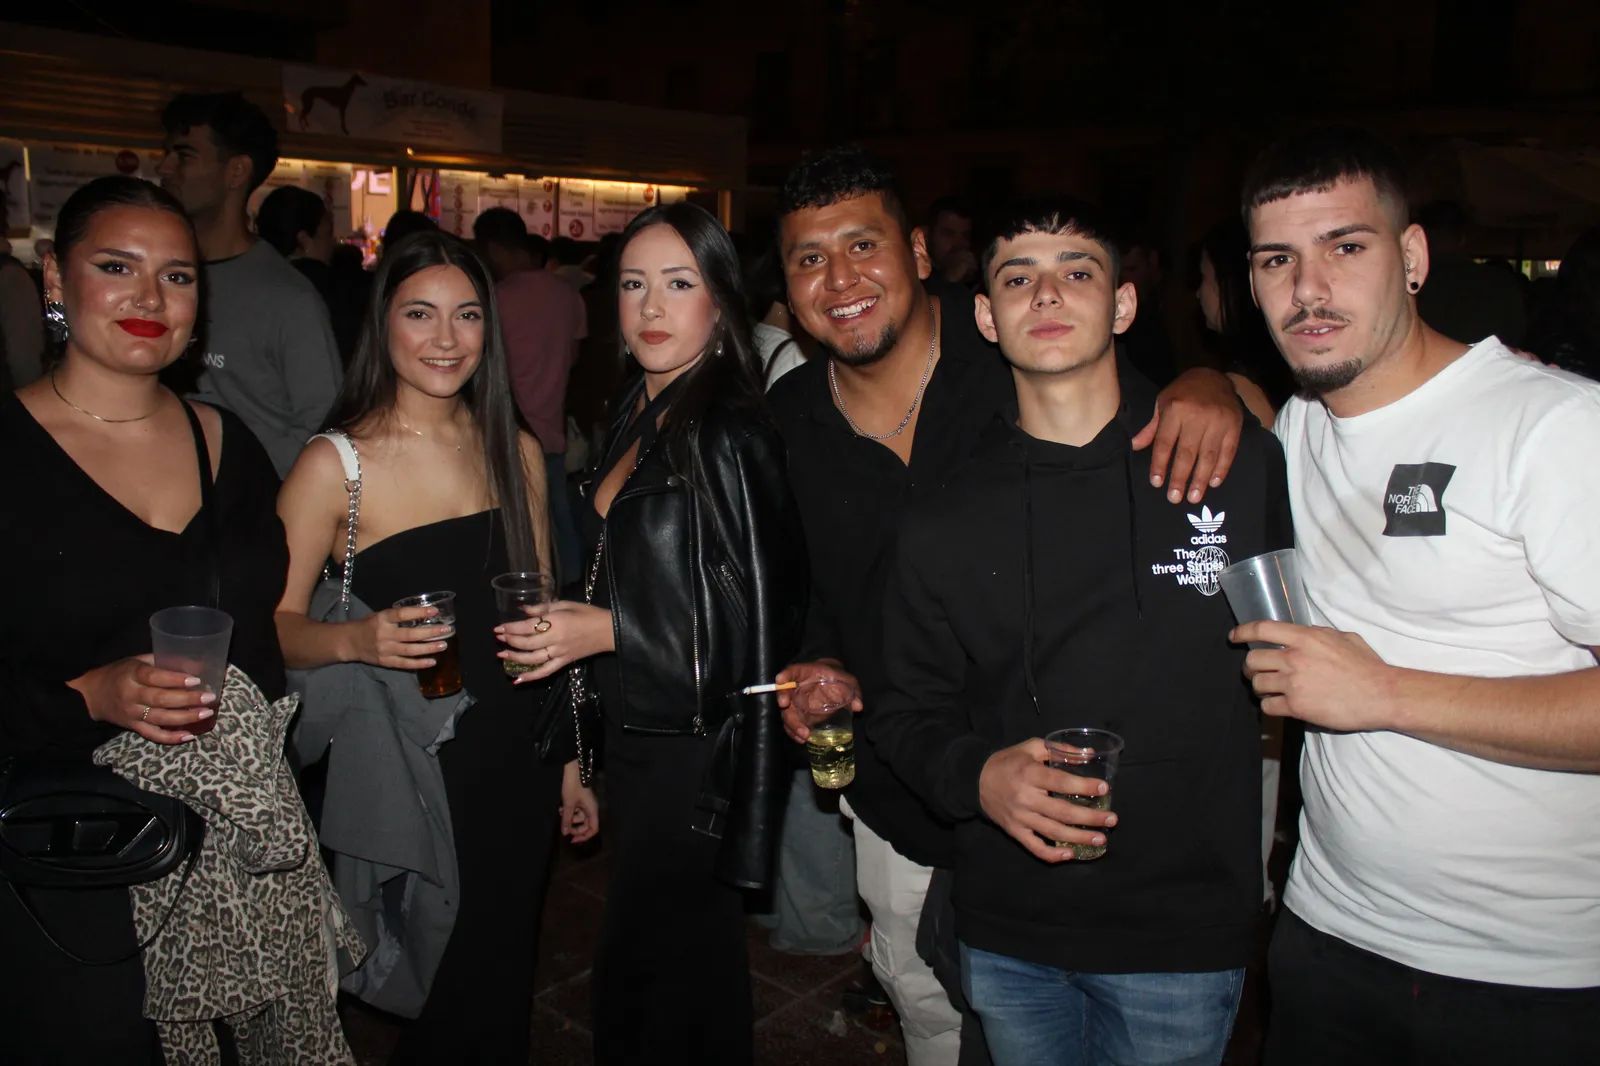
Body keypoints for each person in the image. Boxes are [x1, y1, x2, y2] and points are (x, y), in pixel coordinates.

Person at [767, 145, 1247, 1066]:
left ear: (914, 252)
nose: (841, 279)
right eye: (809, 259)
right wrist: (815, 662)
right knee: (933, 1018)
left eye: (862, 245)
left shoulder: (1018, 346)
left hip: (1070, 810)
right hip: (906, 785)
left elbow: (1146, 434)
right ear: (788, 291)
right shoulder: (785, 423)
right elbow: (805, 595)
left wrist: (1208, 380)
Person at [871, 195, 1290, 1066]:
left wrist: (1222, 383)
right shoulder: (944, 512)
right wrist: (976, 775)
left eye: (1077, 272)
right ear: (986, 315)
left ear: (1124, 305)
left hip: (1182, 928)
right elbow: (906, 708)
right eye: (1019, 277)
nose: (1048, 294)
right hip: (1011, 925)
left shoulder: (1231, 460)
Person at [1232, 127, 1600, 1066]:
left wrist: (1386, 692)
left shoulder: (1553, 427)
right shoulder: (1299, 432)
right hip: (1326, 934)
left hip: (1530, 976)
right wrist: (1204, 381)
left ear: (1412, 258)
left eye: (1344, 249)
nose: (1308, 290)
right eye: (1279, 260)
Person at [496, 202, 805, 1065]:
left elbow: (761, 633)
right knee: (674, 972)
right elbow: (614, 576)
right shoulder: (642, 405)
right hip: (637, 734)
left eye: (680, 283)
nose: (651, 307)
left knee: (655, 977)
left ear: (722, 303)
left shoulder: (729, 430)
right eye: (634, 285)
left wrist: (606, 630)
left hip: (696, 753)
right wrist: (578, 755)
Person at [274, 229, 586, 1063]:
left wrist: (568, 762)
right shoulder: (334, 465)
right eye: (421, 314)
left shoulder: (515, 449)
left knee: (503, 959)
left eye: (468, 315)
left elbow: (543, 621)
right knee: (441, 965)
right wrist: (360, 638)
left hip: (516, 753)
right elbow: (269, 628)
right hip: (417, 764)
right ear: (384, 326)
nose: (446, 339)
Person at [0, 175, 288, 1064]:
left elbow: (267, 634)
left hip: (218, 848)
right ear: (55, 277)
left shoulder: (231, 446)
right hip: (62, 854)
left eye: (178, 276)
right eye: (116, 267)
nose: (149, 299)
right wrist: (86, 696)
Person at [157, 91, 342, 476]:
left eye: (184, 155)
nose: (165, 167)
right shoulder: (154, 279)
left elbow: (325, 432)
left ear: (237, 172)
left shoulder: (289, 297)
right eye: (167, 153)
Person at [473, 206, 587, 583]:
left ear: (492, 248)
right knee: (558, 515)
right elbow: (573, 358)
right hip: (551, 423)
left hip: (509, 428)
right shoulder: (568, 295)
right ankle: (571, 590)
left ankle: (531, 594)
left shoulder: (496, 298)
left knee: (517, 528)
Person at [1195, 217, 1297, 427]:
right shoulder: (1283, 366)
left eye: (1203, 277)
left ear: (1230, 284)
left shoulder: (1237, 392)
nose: (1198, 293)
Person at [255, 184, 363, 362]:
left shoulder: (250, 284)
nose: (333, 242)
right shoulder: (337, 292)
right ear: (304, 240)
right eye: (328, 234)